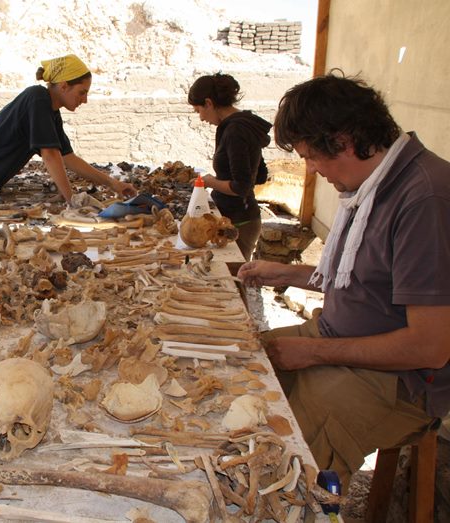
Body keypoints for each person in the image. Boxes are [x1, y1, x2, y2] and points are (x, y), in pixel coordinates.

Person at [237, 72, 450, 491]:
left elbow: (431, 346)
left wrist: (314, 352)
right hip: (339, 337)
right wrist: (290, 273)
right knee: (239, 371)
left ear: (344, 141)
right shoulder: (377, 183)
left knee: (279, 466)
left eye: (312, 156)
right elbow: (368, 279)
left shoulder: (425, 199)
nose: (312, 169)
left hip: (403, 379)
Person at [0, 54, 136, 225]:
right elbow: (50, 155)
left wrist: (113, 184)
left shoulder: (50, 109)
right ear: (64, 86)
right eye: (82, 92)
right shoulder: (37, 99)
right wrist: (72, 201)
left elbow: (68, 158)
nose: (84, 100)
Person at [188, 73, 272, 260]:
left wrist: (209, 181)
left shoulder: (236, 130)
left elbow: (241, 187)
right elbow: (260, 175)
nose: (201, 118)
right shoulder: (242, 125)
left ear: (208, 103)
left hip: (240, 220)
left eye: (198, 110)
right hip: (238, 214)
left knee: (235, 279)